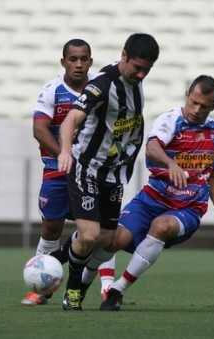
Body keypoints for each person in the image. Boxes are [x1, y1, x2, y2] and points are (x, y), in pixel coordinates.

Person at [98, 75, 214, 311]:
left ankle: (118, 289)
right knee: (111, 238)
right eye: (193, 102)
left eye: (204, 106)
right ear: (188, 96)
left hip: (188, 208)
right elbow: (152, 149)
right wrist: (171, 164)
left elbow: (213, 174)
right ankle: (104, 285)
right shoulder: (171, 120)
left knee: (162, 226)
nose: (196, 109)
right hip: (152, 198)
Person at [57, 33, 160, 311]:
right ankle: (73, 289)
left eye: (146, 69)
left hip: (113, 175)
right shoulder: (102, 85)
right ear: (123, 55)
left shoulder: (135, 83)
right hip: (86, 169)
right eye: (137, 67)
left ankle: (62, 257)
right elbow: (71, 120)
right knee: (89, 235)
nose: (141, 74)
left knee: (107, 241)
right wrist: (65, 151)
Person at [21, 39, 116, 306]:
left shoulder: (101, 88)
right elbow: (39, 129)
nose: (78, 64)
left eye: (83, 59)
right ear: (63, 61)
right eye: (72, 59)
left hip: (93, 171)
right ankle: (42, 289)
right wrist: (65, 155)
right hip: (57, 169)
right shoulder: (53, 91)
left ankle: (107, 286)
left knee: (100, 229)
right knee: (51, 226)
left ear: (90, 61)